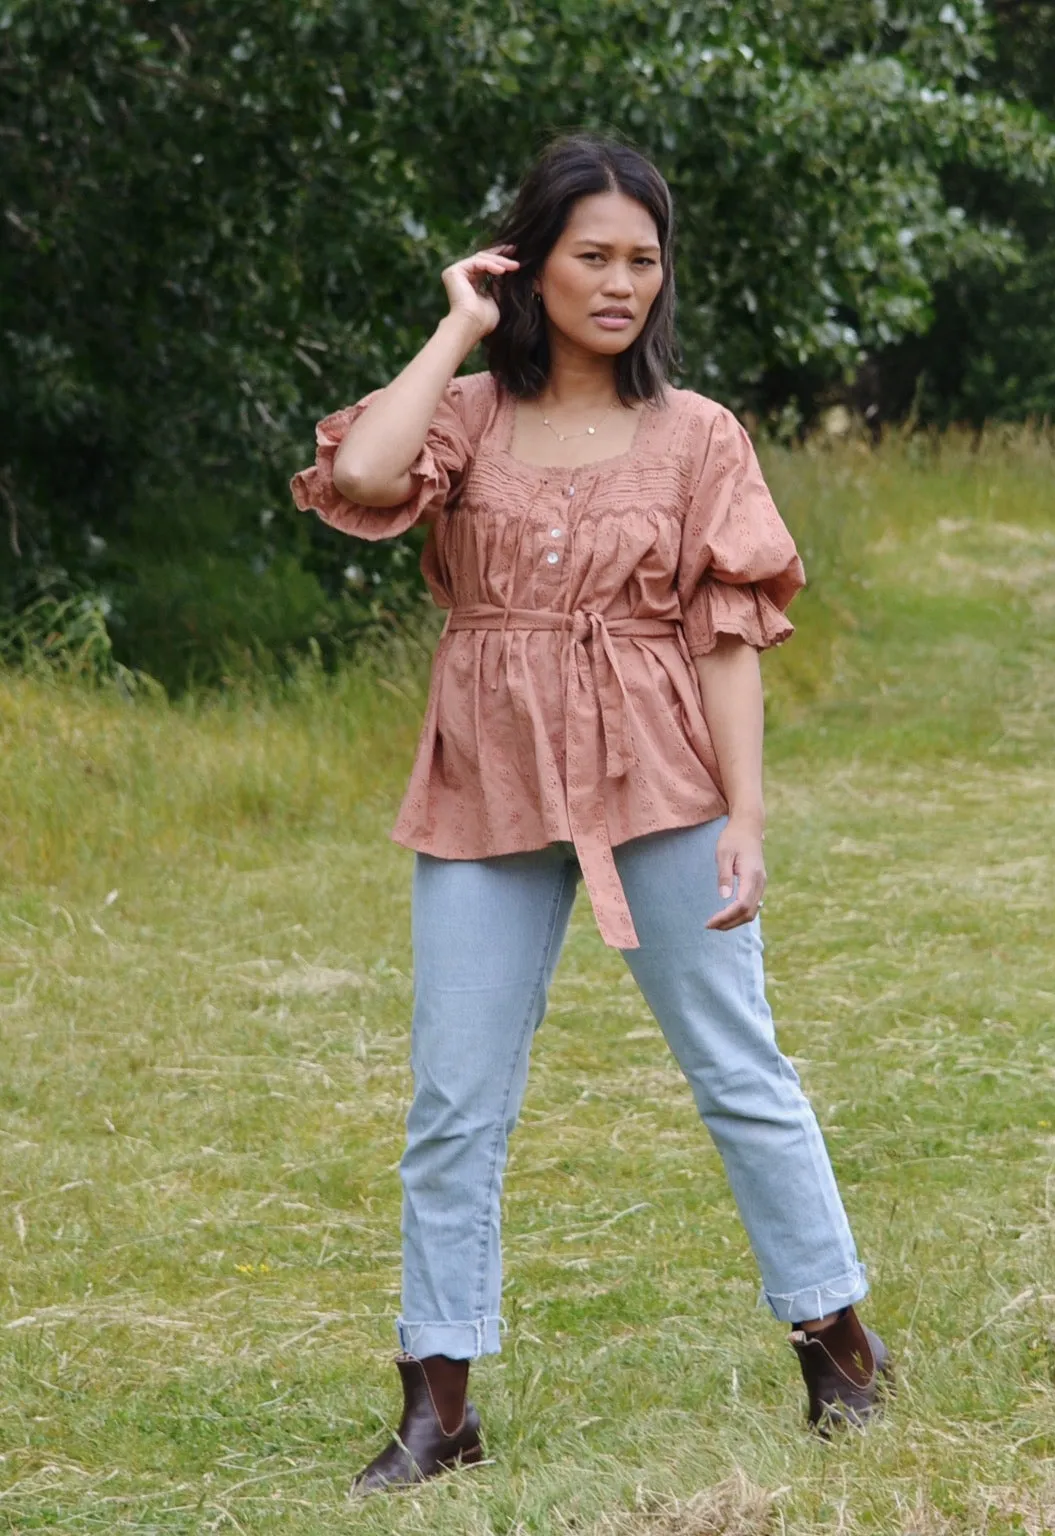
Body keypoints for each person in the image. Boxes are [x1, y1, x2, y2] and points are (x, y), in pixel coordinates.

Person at [290, 131, 890, 1495]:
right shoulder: (470, 418)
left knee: (740, 1071)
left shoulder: (697, 437)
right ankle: (440, 1402)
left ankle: (839, 1350)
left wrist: (745, 813)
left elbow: (728, 635)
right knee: (453, 1097)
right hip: (487, 774)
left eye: (643, 259)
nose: (621, 283)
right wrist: (455, 329)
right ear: (531, 265)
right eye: (592, 256)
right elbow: (368, 475)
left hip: (658, 771)